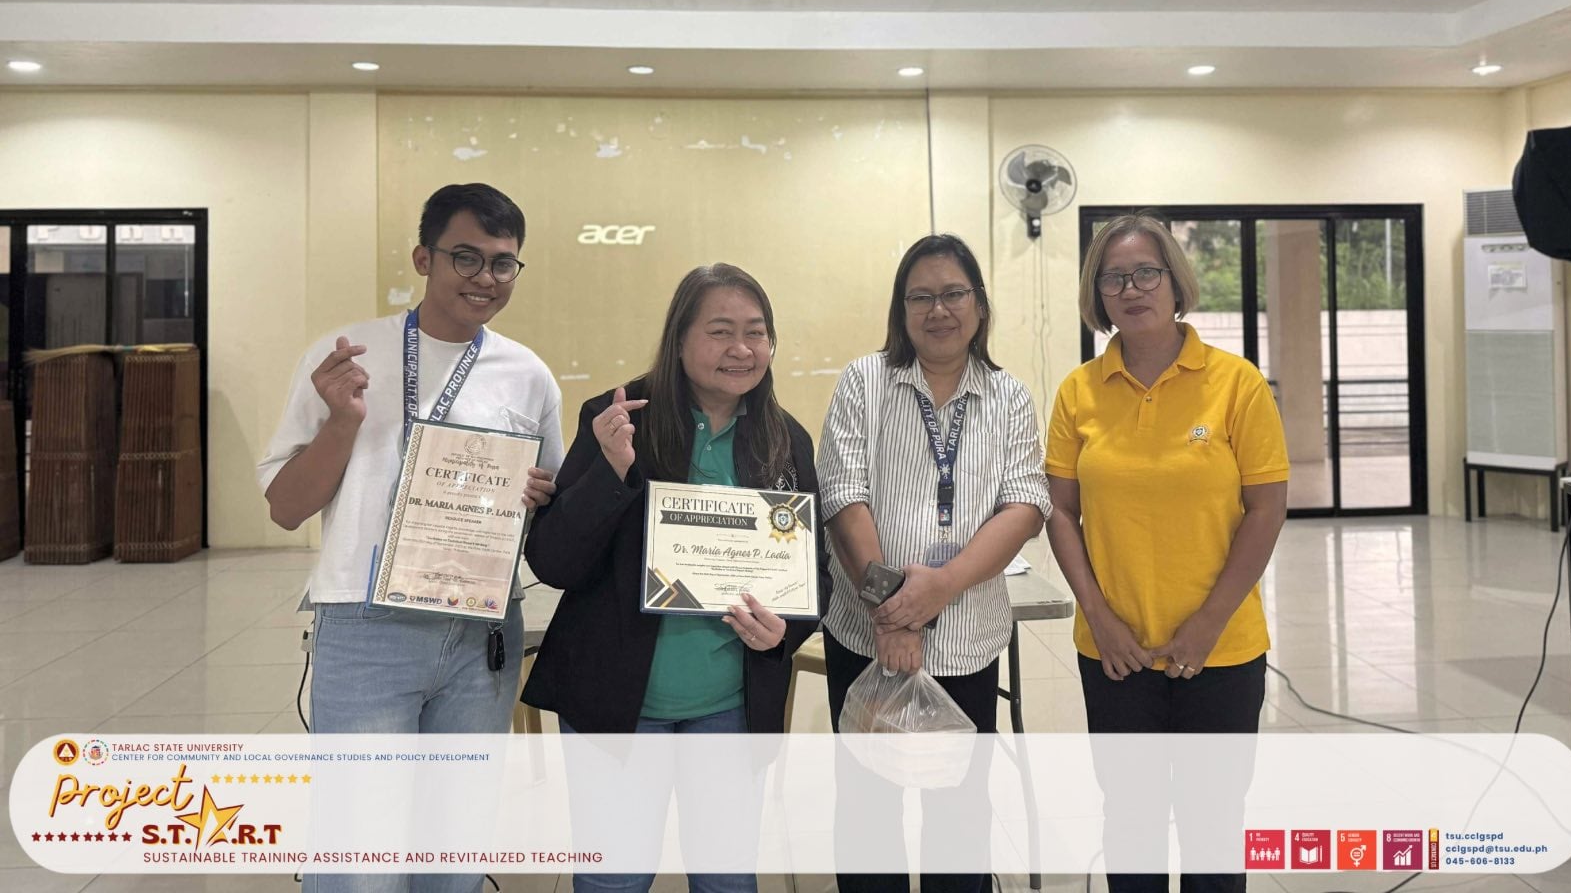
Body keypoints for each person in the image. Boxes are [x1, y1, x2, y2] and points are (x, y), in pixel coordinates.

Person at [258, 182, 564, 893]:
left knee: (454, 854)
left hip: (481, 633)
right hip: (368, 627)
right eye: (466, 257)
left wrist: (540, 499)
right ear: (424, 258)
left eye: (503, 263)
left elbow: (548, 511)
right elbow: (285, 508)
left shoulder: (528, 375)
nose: (485, 278)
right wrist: (343, 421)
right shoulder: (346, 358)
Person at [523, 262, 829, 893]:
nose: (741, 349)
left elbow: (812, 577)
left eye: (756, 332)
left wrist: (784, 632)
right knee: (614, 881)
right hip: (618, 706)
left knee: (726, 880)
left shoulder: (785, 440)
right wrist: (612, 469)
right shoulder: (617, 419)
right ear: (680, 339)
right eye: (720, 331)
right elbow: (554, 562)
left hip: (730, 707)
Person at [1044, 211, 1289, 892]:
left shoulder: (1236, 383)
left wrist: (1207, 623)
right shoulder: (1079, 392)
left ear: (1176, 282)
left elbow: (1266, 508)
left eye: (1146, 273)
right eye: (1113, 278)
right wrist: (1099, 617)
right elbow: (1059, 511)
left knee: (1214, 827)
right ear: (1097, 295)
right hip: (1115, 652)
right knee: (1131, 824)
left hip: (1221, 649)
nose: (1131, 290)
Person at [817, 233, 1050, 893]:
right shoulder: (865, 381)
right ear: (901, 309)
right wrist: (892, 613)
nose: (938, 310)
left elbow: (1026, 504)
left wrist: (941, 587)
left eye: (953, 294)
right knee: (868, 812)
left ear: (979, 304)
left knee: (959, 816)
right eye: (920, 296)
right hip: (866, 637)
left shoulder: (1009, 397)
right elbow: (842, 494)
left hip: (966, 641)